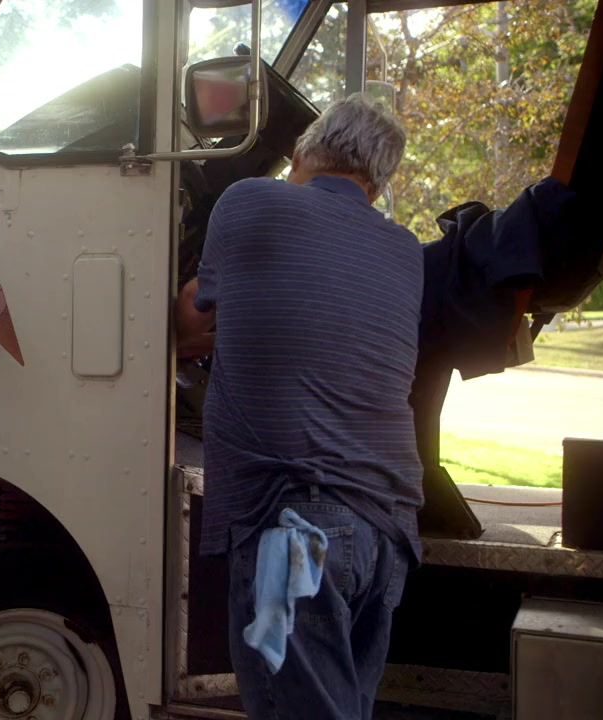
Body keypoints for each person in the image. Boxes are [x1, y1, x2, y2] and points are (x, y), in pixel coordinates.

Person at [173, 95, 424, 720]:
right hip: (387, 530)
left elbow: (193, 317)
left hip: (296, 528)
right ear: (378, 181)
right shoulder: (404, 248)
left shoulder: (251, 202)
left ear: (304, 150)